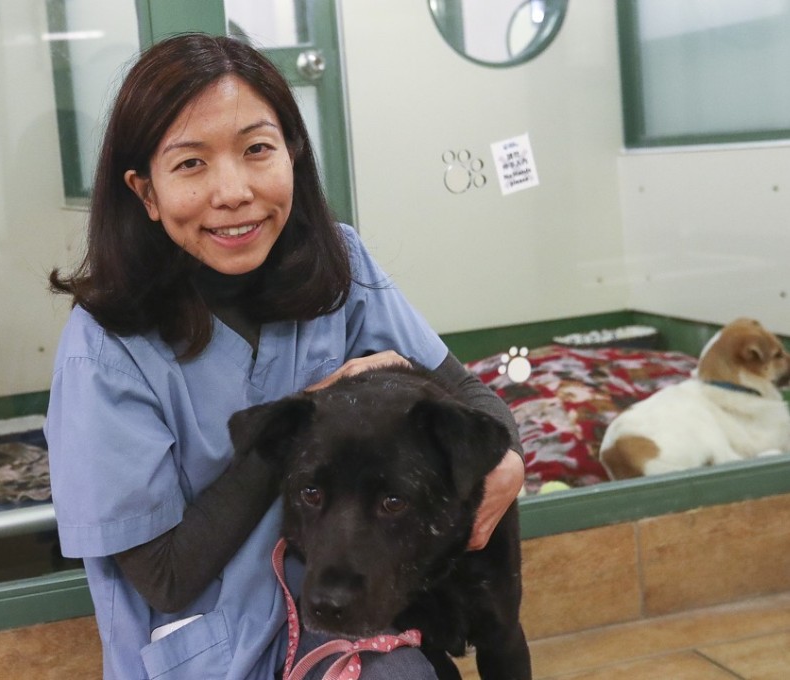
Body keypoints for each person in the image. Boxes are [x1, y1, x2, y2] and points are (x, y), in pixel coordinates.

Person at [45, 32, 524, 680]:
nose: (234, 190)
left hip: (346, 621)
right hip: (206, 656)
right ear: (146, 192)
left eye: (257, 150)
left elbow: (473, 401)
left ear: (292, 156)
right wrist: (307, 422)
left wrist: (508, 462)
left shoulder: (341, 265)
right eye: (191, 164)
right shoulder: (105, 348)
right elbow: (165, 576)